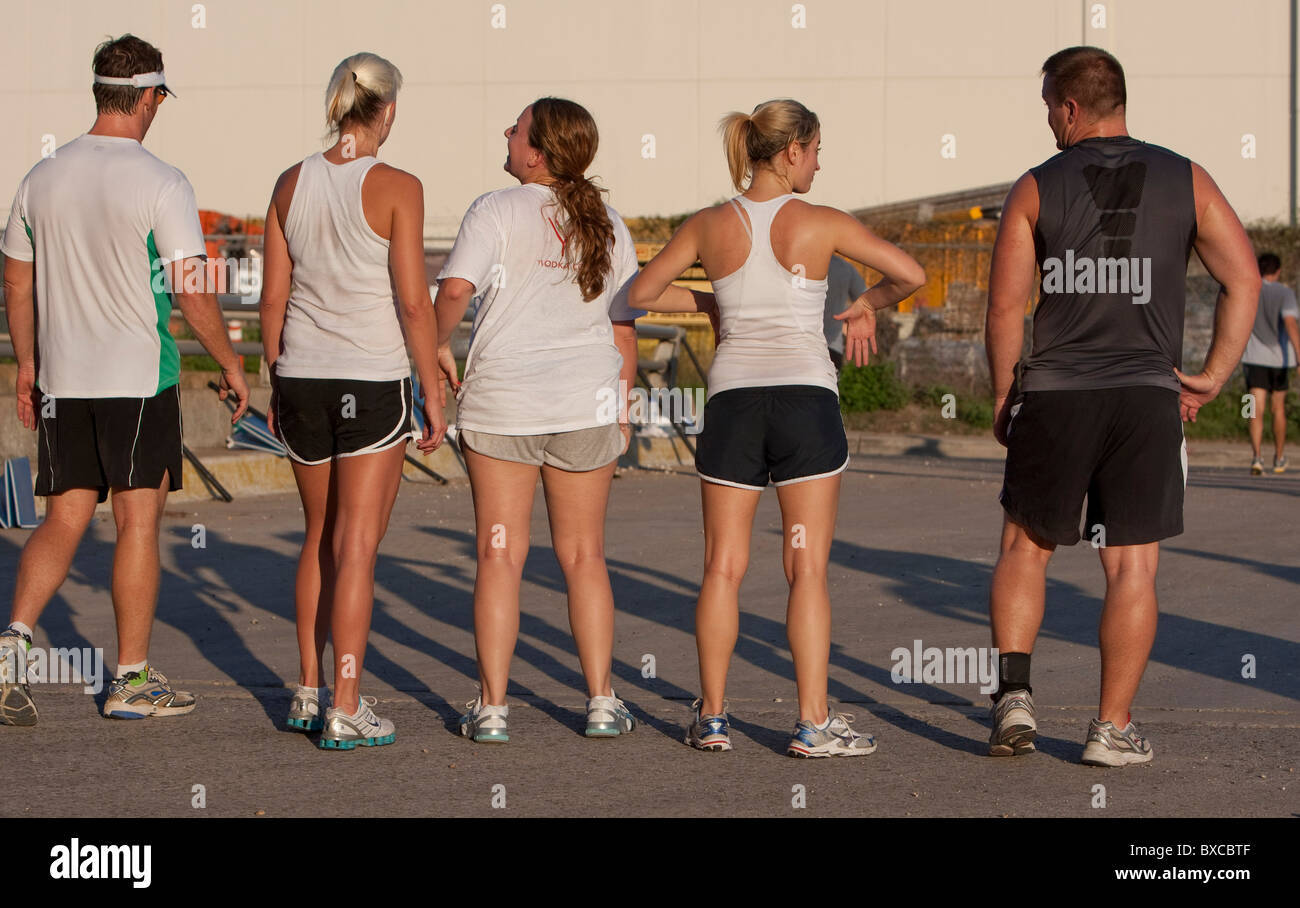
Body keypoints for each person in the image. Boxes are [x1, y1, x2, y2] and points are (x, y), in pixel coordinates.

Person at [985, 47, 1259, 766]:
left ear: (1071, 107)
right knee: (1131, 566)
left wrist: (1002, 393)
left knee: (1025, 547)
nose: (1047, 117)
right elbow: (1245, 279)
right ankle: (1112, 728)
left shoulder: (1036, 187)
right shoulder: (1188, 178)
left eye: (1049, 104)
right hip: (1145, 395)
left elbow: (1008, 304)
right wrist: (1211, 376)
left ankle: (1014, 696)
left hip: (1057, 391)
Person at [630, 99, 924, 757]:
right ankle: (812, 724)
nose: (820, 162)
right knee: (806, 568)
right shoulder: (820, 222)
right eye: (817, 150)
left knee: (722, 568)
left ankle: (711, 718)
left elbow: (639, 294)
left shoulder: (711, 223)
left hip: (733, 402)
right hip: (804, 402)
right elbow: (911, 274)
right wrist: (864, 308)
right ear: (792, 151)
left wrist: (707, 298)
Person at [0, 34, 249, 725]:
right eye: (159, 99)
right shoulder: (161, 180)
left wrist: (26, 362)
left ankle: (12, 645)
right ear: (147, 97)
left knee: (65, 515)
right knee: (138, 522)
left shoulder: (40, 176)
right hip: (138, 378)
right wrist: (230, 362)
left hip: (63, 378)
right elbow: (192, 289)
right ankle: (131, 680)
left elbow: (16, 280)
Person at [433, 97, 643, 743]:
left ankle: (492, 710)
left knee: (500, 555)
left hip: (504, 402)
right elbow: (622, 321)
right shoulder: (608, 221)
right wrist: (625, 401)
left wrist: (433, 350)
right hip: (587, 402)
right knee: (585, 557)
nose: (506, 130)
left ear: (539, 151)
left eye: (516, 127)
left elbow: (453, 294)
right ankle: (602, 702)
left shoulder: (494, 209)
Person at [259, 52, 446, 750]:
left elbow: (271, 298)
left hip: (302, 376)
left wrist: (272, 376)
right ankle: (346, 702)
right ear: (387, 110)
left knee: (319, 538)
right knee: (358, 547)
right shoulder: (398, 185)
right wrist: (431, 389)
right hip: (369, 379)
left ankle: (309, 690)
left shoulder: (289, 182)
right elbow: (411, 301)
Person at [1242, 252, 1299, 474]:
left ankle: (1256, 457)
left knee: (1252, 408)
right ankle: (1279, 458)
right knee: (1278, 409)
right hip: (1280, 359)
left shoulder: (1250, 290)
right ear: (1278, 271)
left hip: (1252, 358)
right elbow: (1291, 323)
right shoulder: (1285, 293)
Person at [822, 255, 868, 371]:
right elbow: (864, 297)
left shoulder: (797, 258)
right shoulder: (844, 267)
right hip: (832, 345)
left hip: (798, 346)